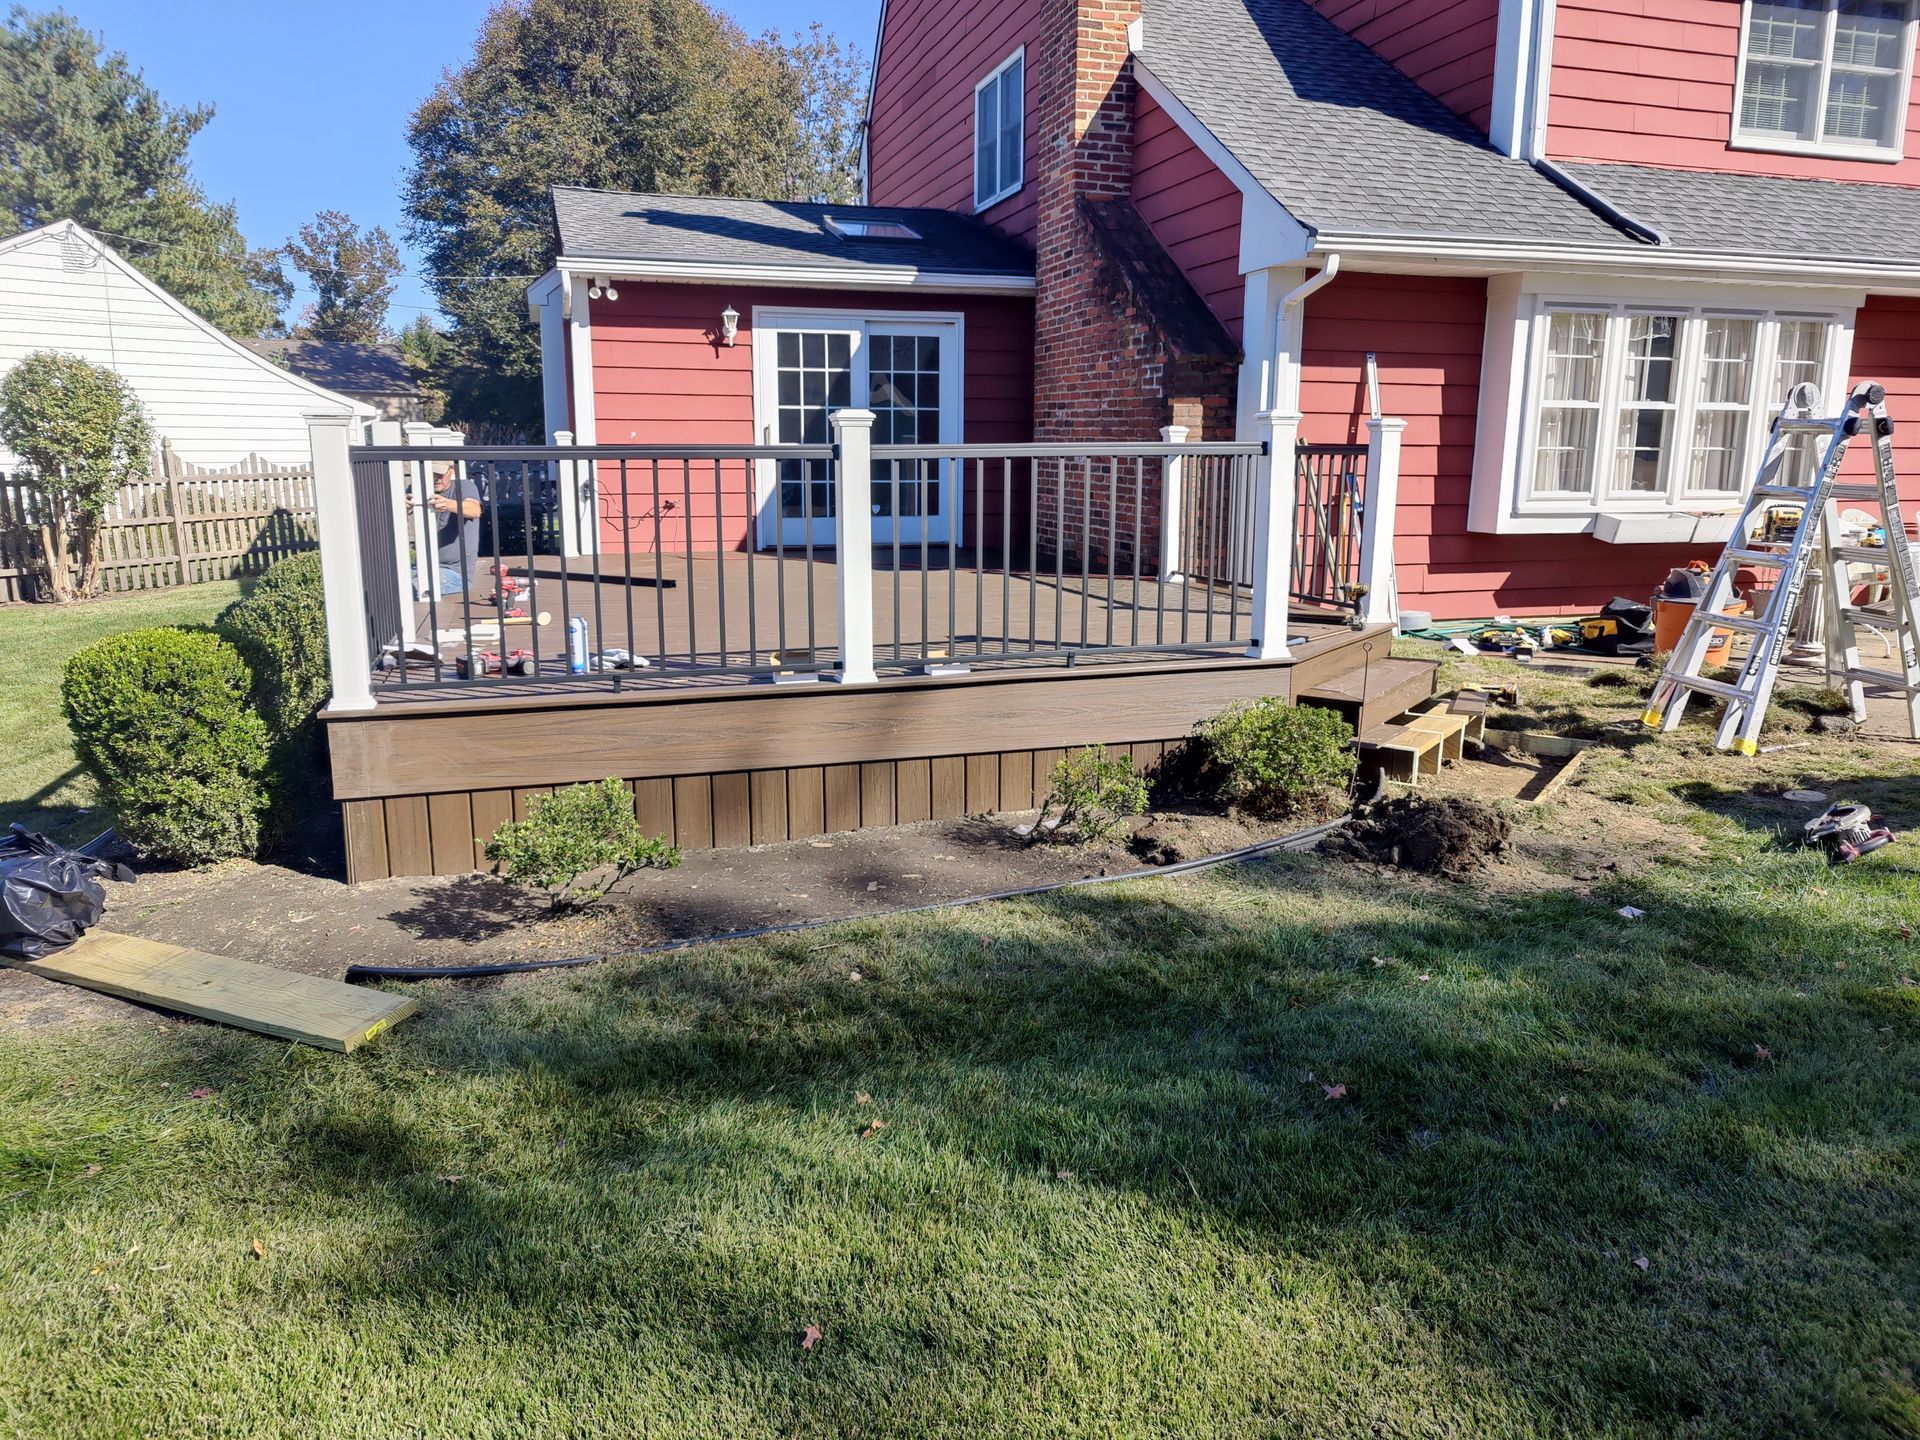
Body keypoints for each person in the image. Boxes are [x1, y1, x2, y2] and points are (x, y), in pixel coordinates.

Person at [423, 458, 482, 595]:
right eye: (432, 474)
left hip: (455, 573)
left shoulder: (464, 487)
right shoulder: (420, 489)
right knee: (389, 583)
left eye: (440, 474)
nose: (436, 479)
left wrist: (448, 504)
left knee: (413, 588)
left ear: (451, 471)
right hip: (421, 567)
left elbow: (475, 510)